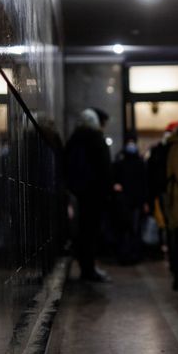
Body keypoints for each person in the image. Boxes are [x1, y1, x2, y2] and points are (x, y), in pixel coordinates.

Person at [64, 107, 113, 282]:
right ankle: (89, 269)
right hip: (95, 196)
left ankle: (86, 267)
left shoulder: (73, 140)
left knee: (83, 233)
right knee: (92, 233)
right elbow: (105, 169)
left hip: (78, 195)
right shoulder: (96, 139)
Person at [111, 136, 148, 264]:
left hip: (126, 202)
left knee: (126, 229)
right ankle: (132, 254)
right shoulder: (139, 164)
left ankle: (126, 255)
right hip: (132, 202)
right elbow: (144, 185)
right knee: (132, 229)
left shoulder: (120, 164)